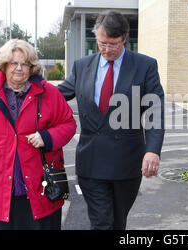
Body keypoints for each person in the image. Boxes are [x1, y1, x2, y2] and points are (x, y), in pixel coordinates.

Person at [58, 11, 165, 230]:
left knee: (117, 222)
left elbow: (155, 110)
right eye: (102, 43)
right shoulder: (82, 66)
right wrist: (25, 88)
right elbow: (57, 96)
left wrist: (153, 150)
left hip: (127, 163)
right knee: (102, 222)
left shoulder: (145, 66)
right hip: (91, 162)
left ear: (125, 38)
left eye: (113, 44)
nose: (106, 50)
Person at [0, 39, 76, 230]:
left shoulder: (49, 93)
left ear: (32, 67)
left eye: (25, 64)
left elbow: (68, 123)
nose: (19, 68)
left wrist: (47, 137)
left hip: (42, 192)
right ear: (4, 65)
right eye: (14, 63)